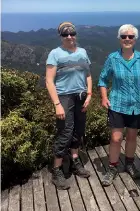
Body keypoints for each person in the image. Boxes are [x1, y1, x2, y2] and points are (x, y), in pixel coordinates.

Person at [98, 24, 140, 186]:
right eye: (124, 36)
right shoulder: (113, 58)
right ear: (119, 39)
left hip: (137, 104)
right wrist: (104, 97)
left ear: (135, 39)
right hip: (117, 103)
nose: (127, 39)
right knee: (116, 137)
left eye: (131, 37)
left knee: (132, 136)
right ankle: (112, 167)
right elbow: (103, 79)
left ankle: (129, 163)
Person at [46, 21, 92, 190]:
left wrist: (89, 94)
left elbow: (88, 75)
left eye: (72, 33)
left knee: (78, 131)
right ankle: (56, 170)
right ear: (61, 36)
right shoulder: (55, 54)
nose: (69, 37)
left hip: (81, 96)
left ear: (76, 34)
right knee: (65, 132)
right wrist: (57, 104)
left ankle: (74, 161)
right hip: (64, 97)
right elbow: (49, 81)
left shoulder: (83, 52)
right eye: (65, 34)